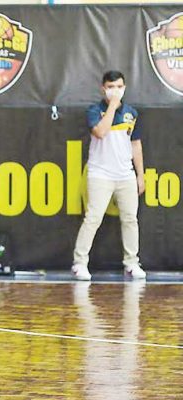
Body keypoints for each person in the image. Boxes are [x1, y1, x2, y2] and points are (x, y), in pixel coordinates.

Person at [72, 71, 146, 281]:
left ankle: (131, 263)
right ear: (103, 88)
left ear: (125, 87)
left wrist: (140, 175)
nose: (116, 91)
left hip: (125, 174)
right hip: (100, 174)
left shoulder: (132, 113)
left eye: (119, 87)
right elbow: (100, 132)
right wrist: (112, 106)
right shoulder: (94, 110)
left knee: (131, 219)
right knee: (93, 218)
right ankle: (79, 263)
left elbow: (135, 144)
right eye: (111, 87)